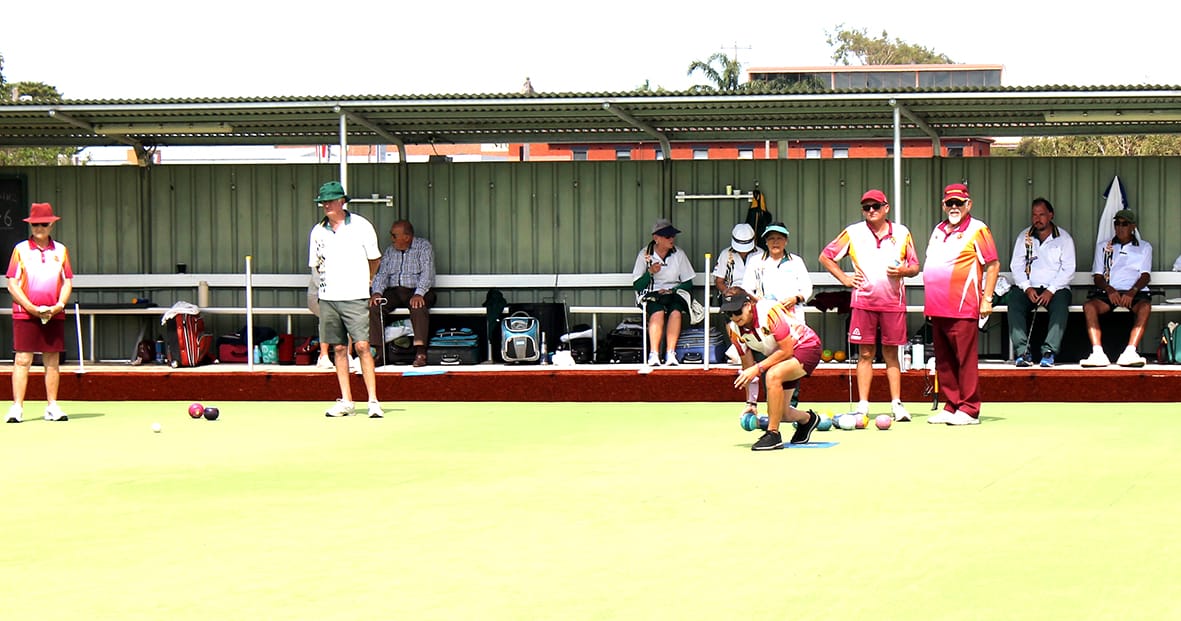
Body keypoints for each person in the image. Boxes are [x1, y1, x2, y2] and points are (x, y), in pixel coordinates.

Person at [818, 189, 920, 421]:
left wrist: (903, 270)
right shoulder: (853, 232)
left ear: (887, 208)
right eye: (866, 207)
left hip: (893, 302)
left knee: (892, 353)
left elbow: (914, 266)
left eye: (876, 206)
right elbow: (826, 256)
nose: (871, 211)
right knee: (865, 353)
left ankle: (897, 404)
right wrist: (844, 279)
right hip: (863, 302)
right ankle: (863, 405)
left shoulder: (902, 233)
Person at [923, 183, 1000, 426]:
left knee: (964, 359)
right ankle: (952, 404)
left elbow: (993, 264)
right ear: (943, 205)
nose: (954, 207)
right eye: (950, 203)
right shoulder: (938, 229)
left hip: (963, 304)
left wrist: (987, 298)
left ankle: (969, 408)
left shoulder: (978, 229)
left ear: (969, 204)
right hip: (937, 305)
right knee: (944, 359)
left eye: (959, 203)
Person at [308, 180, 383, 418]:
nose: (326, 205)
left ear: (342, 201)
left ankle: (373, 401)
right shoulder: (318, 231)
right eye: (323, 202)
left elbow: (375, 259)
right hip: (329, 296)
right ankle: (347, 401)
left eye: (330, 200)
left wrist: (367, 282)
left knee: (362, 345)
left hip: (355, 295)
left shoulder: (361, 226)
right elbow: (316, 265)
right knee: (339, 348)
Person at [721, 287, 822, 450]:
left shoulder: (768, 312)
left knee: (772, 375)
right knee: (781, 414)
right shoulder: (735, 331)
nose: (734, 317)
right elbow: (748, 368)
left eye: (737, 311)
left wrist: (758, 368)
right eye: (729, 313)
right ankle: (808, 420)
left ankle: (773, 434)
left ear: (748, 305)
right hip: (784, 357)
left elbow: (787, 350)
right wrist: (751, 403)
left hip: (807, 347)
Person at [6, 202, 74, 423]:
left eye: (44, 224)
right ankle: (17, 407)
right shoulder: (20, 250)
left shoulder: (61, 250)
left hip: (53, 313)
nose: (39, 228)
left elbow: (67, 282)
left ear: (51, 225)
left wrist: (59, 305)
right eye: (35, 224)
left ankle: (52, 406)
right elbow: (12, 283)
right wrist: (30, 307)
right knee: (22, 359)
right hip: (25, 312)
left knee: (52, 360)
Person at [1008, 198, 1076, 368]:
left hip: (1056, 288)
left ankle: (1049, 352)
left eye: (1042, 215)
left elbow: (1069, 269)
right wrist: (1026, 287)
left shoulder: (1064, 238)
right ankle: (1022, 352)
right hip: (1030, 286)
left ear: (1051, 215)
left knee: (1060, 306)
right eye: (1034, 215)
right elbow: (1016, 265)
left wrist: (1051, 290)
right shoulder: (1024, 237)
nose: (1037, 219)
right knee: (1014, 301)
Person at [1081, 209, 1152, 368]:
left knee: (1145, 307)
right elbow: (1098, 276)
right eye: (1117, 223)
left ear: (1133, 226)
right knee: (1089, 307)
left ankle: (1130, 351)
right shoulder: (1103, 247)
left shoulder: (1144, 247)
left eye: (1124, 224)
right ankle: (1097, 352)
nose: (1120, 227)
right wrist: (1109, 289)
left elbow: (1145, 275)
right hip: (1109, 292)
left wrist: (1132, 291)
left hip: (1134, 292)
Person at [369, 219, 436, 368]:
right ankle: (379, 352)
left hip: (419, 290)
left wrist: (419, 293)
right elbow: (382, 275)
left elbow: (427, 274)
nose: (391, 238)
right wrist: (377, 292)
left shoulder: (423, 247)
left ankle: (420, 352)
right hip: (395, 291)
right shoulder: (389, 251)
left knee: (418, 306)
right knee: (375, 307)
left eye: (394, 235)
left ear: (406, 237)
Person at [631, 217, 695, 367]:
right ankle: (654, 354)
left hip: (673, 293)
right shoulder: (644, 255)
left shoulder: (679, 254)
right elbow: (637, 286)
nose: (672, 239)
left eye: (673, 236)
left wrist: (673, 290)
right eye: (667, 236)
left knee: (676, 312)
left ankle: (670, 353)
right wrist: (650, 272)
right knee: (658, 311)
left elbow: (688, 283)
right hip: (651, 294)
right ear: (656, 238)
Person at [740, 222, 812, 314]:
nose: (775, 242)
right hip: (764, 312)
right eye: (771, 238)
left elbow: (807, 288)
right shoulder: (755, 261)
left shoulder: (796, 261)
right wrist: (758, 300)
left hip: (792, 313)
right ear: (766, 241)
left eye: (779, 238)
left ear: (786, 241)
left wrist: (795, 299)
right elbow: (746, 288)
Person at [711, 223, 757, 301]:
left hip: (753, 294)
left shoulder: (760, 254)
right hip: (730, 295)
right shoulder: (725, 254)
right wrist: (727, 292)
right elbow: (719, 281)